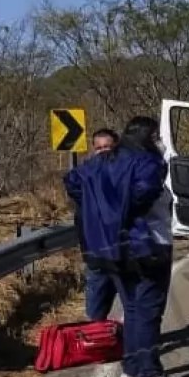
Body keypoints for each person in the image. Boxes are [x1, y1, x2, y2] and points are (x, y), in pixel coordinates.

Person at [65, 116, 183, 377]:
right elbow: (145, 193)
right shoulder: (146, 162)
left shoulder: (102, 162)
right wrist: (121, 209)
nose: (160, 142)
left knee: (131, 309)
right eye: (156, 136)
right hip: (146, 245)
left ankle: (131, 367)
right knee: (148, 310)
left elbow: (73, 180)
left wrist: (101, 209)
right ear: (147, 137)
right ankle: (149, 372)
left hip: (110, 247)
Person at [80, 128, 120, 321]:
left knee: (135, 311)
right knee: (95, 313)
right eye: (99, 148)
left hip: (125, 255)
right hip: (96, 255)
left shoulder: (127, 176)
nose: (103, 152)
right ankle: (96, 346)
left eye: (108, 147)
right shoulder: (84, 178)